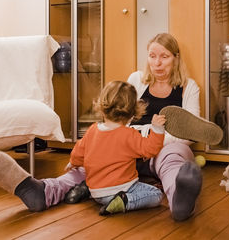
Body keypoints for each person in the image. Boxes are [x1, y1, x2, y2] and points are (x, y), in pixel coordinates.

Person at [0, 33, 222, 221]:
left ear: (176, 58)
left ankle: (179, 200)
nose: (157, 63)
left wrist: (152, 138)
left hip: (164, 148)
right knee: (94, 158)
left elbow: (189, 135)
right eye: (152, 56)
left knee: (175, 159)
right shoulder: (137, 79)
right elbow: (120, 119)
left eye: (164, 57)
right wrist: (113, 143)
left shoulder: (188, 87)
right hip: (126, 145)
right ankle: (42, 191)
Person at [67, 80, 166, 215]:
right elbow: (150, 150)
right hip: (123, 188)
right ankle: (125, 201)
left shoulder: (92, 130)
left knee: (96, 185)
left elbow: (78, 152)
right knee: (156, 194)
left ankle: (85, 190)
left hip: (96, 191)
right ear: (132, 111)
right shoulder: (129, 134)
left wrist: (72, 163)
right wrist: (157, 129)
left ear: (102, 104)